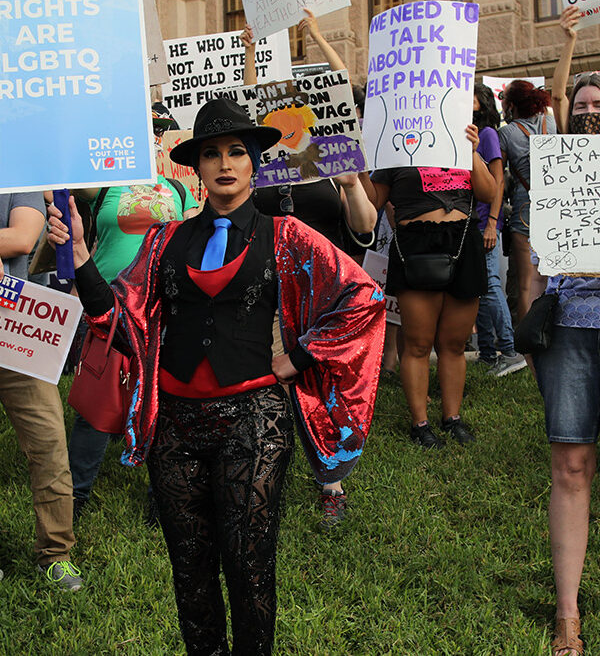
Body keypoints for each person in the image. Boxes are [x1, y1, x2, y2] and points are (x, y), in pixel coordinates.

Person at [48, 97, 385, 655]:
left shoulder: (287, 235)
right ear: (197, 168)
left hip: (255, 422)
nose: (225, 163)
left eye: (236, 152)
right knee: (190, 570)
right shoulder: (163, 239)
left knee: (249, 563)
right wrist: (81, 254)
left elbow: (363, 297)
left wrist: (299, 357)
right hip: (175, 427)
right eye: (212, 154)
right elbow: (116, 317)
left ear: (254, 162)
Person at [241, 11, 377, 527]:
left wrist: (349, 186)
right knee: (269, 382)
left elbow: (362, 230)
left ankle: (330, 485)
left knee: (321, 389)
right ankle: (261, 477)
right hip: (275, 291)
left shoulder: (333, 165)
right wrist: (252, 56)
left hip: (325, 296)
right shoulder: (264, 171)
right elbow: (249, 109)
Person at [68, 157, 199, 522]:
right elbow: (73, 177)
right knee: (99, 400)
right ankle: (74, 494)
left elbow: (195, 234)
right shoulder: (108, 183)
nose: (153, 138)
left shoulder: (178, 187)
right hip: (110, 301)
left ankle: (161, 495)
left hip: (164, 305)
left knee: (164, 400)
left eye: (159, 132)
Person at [533, 4, 600, 656]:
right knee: (572, 466)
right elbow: (553, 110)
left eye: (598, 102)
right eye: (582, 102)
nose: (589, 109)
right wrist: (571, 44)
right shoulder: (558, 169)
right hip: (573, 329)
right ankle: (568, 613)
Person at [362, 127, 496, 448]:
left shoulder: (459, 138)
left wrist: (473, 151)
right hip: (416, 245)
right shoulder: (392, 146)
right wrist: (356, 169)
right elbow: (373, 203)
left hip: (463, 241)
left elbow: (488, 193)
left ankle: (452, 418)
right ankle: (419, 424)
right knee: (419, 343)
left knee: (453, 343)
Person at [0, 193, 83, 591]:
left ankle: (56, 554)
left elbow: (21, 238)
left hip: (17, 329)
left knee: (48, 443)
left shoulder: (16, 172)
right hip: (20, 327)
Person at [472, 83, 526, 377]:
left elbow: (498, 181)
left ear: (482, 102)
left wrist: (492, 223)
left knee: (491, 285)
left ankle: (509, 351)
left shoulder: (488, 134)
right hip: (472, 225)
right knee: (478, 289)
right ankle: (488, 353)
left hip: (485, 224)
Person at [498, 81, 555, 326]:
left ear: (511, 106)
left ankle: (527, 347)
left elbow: (498, 178)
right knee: (553, 278)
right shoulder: (551, 124)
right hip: (556, 206)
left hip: (524, 209)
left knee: (526, 283)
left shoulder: (506, 133)